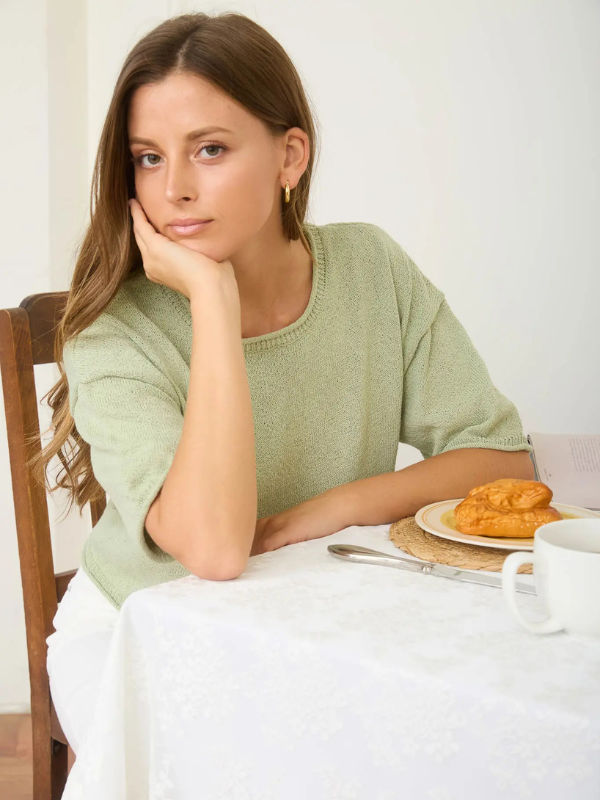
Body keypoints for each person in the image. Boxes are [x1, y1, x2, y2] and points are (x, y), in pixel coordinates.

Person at [31, 11, 534, 757]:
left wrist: (329, 509)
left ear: (289, 156)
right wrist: (212, 301)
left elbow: (502, 463)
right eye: (147, 158)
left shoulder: (370, 269)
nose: (174, 189)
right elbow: (215, 549)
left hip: (313, 612)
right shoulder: (111, 330)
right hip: (138, 626)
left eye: (209, 149)